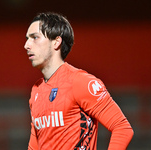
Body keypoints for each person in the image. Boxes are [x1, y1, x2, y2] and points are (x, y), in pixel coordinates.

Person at [24, 12, 134, 150]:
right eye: (27, 39)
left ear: (56, 42)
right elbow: (35, 145)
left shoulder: (80, 82)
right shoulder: (36, 90)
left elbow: (122, 127)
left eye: (34, 37)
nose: (26, 45)